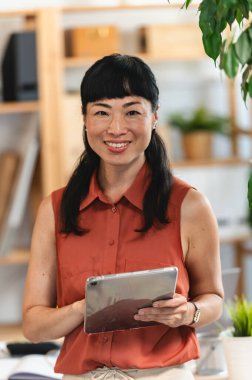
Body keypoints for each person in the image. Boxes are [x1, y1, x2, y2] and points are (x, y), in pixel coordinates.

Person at [22, 54, 224, 380]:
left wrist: (188, 312)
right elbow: (33, 327)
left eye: (132, 112)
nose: (117, 128)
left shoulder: (190, 206)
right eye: (102, 112)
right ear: (85, 119)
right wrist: (87, 307)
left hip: (164, 374)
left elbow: (213, 299)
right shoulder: (55, 209)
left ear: (155, 117)